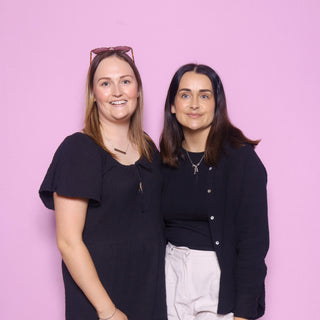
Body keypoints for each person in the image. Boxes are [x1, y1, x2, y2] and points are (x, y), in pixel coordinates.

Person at [39, 46, 167, 320]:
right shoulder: (78, 151)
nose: (117, 91)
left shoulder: (148, 148)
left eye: (126, 81)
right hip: (101, 306)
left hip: (149, 298)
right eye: (105, 83)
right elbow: (68, 241)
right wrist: (107, 311)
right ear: (93, 95)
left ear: (138, 91)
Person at [160, 63, 269, 320]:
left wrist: (243, 313)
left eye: (204, 95)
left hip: (217, 280)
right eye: (185, 95)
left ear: (216, 105)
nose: (194, 104)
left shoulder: (242, 162)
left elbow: (253, 246)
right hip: (170, 275)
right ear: (173, 106)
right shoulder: (161, 162)